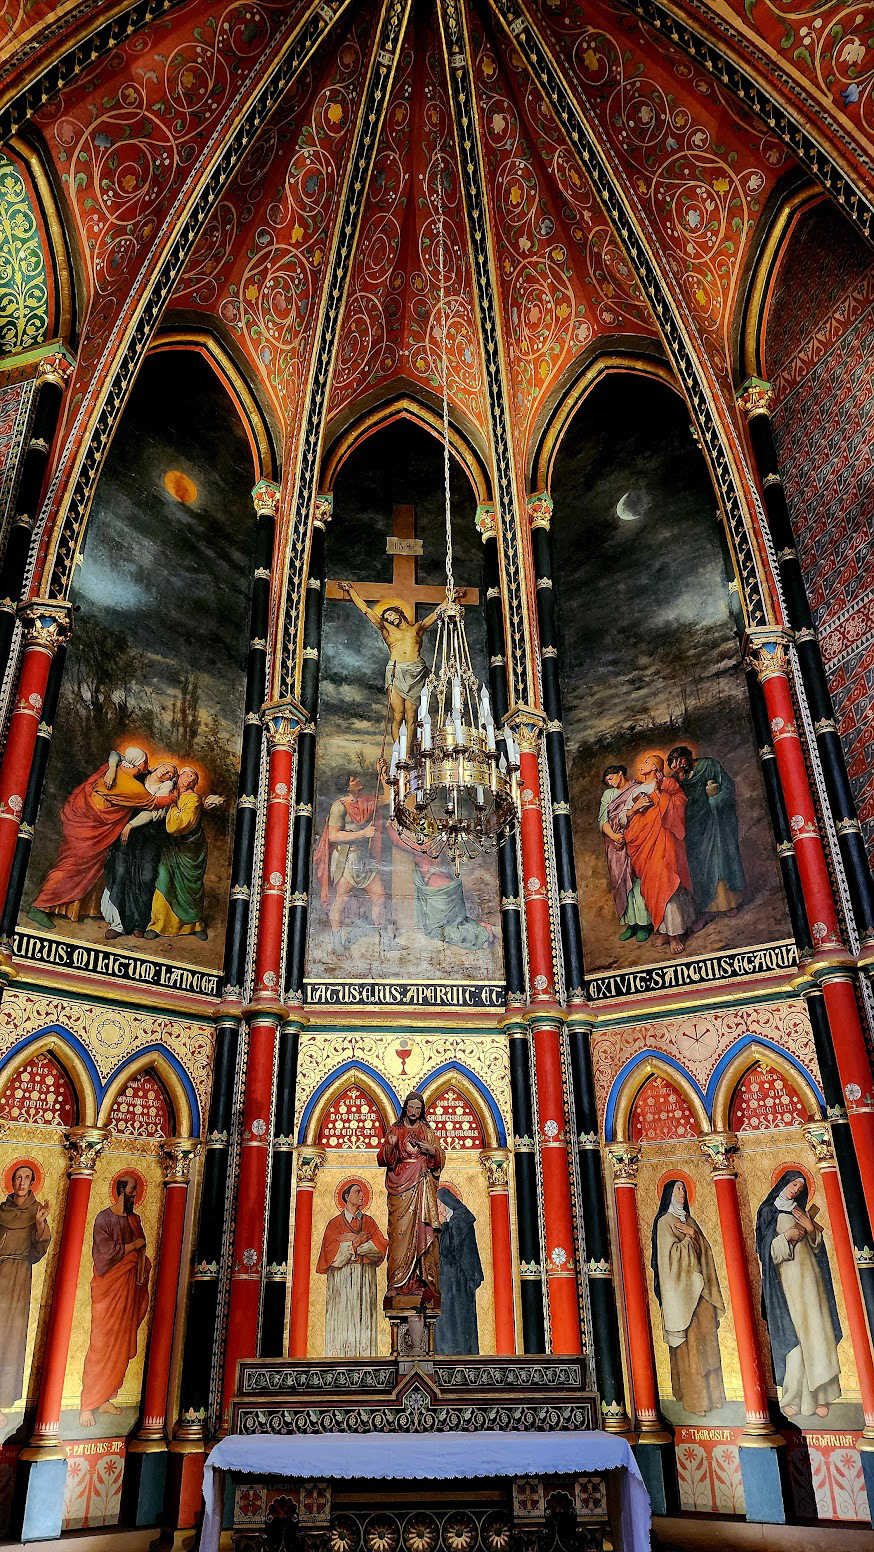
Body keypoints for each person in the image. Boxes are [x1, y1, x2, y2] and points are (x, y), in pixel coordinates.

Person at [29, 747, 176, 927]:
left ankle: (75, 909)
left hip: (87, 825)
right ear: (138, 765)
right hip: (90, 830)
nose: (149, 765)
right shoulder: (131, 787)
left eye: (170, 773)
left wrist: (113, 768)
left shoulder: (110, 769)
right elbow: (155, 802)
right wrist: (176, 796)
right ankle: (40, 906)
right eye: (146, 762)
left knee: (93, 867)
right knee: (72, 866)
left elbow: (115, 754)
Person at [756, 1170, 842, 1418]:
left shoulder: (802, 1212)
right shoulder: (768, 1212)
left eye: (800, 1188)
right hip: (787, 1286)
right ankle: (794, 1397)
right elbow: (764, 1252)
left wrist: (810, 1230)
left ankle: (820, 1396)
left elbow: (818, 1250)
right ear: (783, 1184)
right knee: (795, 1338)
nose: (795, 1190)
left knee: (817, 1334)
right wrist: (786, 1237)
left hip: (812, 1284)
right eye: (793, 1184)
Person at [338, 583, 456, 745]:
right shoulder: (386, 630)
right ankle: (397, 756)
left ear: (399, 613)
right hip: (396, 671)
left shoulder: (417, 628)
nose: (389, 618)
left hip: (416, 672)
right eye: (386, 618)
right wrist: (351, 591)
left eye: (391, 614)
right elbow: (366, 610)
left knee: (411, 716)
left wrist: (451, 597)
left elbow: (436, 614)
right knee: (398, 715)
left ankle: (407, 756)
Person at [79, 1174, 151, 1427]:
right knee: (101, 1343)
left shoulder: (134, 1220)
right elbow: (103, 1255)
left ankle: (107, 1397)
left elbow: (143, 1252)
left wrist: (141, 1260)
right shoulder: (104, 1218)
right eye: (132, 1190)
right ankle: (88, 1403)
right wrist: (132, 1247)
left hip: (129, 1288)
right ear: (121, 1191)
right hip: (108, 1290)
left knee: (120, 1344)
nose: (134, 1195)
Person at [651, 1180, 725, 1416]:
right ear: (668, 1194)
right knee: (691, 1347)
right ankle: (695, 1401)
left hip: (701, 1293)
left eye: (684, 1189)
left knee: (707, 1343)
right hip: (682, 1297)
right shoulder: (664, 1223)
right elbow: (668, 1259)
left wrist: (694, 1236)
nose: (682, 1193)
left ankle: (713, 1396)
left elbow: (705, 1252)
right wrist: (687, 1242)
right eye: (677, 1189)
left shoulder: (690, 1222)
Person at [621, 754, 696, 954]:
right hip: (644, 844)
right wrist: (635, 809)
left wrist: (660, 794)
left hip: (665, 841)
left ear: (655, 767)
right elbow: (623, 818)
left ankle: (674, 934)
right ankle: (663, 929)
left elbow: (680, 802)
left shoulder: (668, 783)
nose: (642, 765)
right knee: (653, 885)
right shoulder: (635, 790)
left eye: (646, 762)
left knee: (668, 881)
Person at [377, 1092, 445, 1305]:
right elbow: (383, 1159)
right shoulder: (396, 1129)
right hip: (401, 1189)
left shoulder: (426, 1131)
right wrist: (390, 1144)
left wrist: (431, 1150)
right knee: (400, 1235)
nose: (414, 1112)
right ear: (405, 1108)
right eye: (411, 1107)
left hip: (422, 1187)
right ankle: (397, 1284)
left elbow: (440, 1158)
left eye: (418, 1108)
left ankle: (422, 1282)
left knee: (421, 1233)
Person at [667, 747, 745, 926]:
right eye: (675, 765)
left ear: (687, 757)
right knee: (699, 867)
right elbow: (673, 799)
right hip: (693, 827)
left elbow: (728, 786)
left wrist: (716, 800)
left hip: (714, 821)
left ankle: (728, 904)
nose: (679, 766)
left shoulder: (709, 765)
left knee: (718, 861)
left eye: (680, 761)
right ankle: (707, 910)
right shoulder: (677, 779)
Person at [314, 772, 392, 952]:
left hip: (364, 858)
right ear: (347, 786)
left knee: (379, 896)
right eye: (353, 779)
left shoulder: (365, 801)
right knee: (341, 899)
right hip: (346, 857)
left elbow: (388, 798)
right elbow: (333, 835)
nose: (358, 780)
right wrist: (362, 834)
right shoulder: (339, 807)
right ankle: (337, 942)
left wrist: (382, 775)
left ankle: (385, 940)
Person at [101, 761, 178, 939]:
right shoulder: (138, 778)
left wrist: (131, 824)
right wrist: (112, 768)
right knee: (120, 873)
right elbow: (116, 758)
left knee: (146, 877)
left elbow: (155, 813)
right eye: (166, 767)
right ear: (158, 766)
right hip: (125, 836)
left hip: (149, 839)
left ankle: (139, 924)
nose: (166, 772)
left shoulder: (167, 793)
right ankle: (118, 924)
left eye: (171, 773)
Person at [145, 768, 223, 941]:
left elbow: (177, 825)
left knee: (190, 888)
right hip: (170, 847)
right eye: (189, 775)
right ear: (179, 775)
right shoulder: (167, 788)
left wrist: (172, 804)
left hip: (190, 849)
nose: (191, 780)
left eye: (194, 779)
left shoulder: (193, 799)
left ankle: (194, 924)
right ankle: (158, 924)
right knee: (164, 880)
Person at [0, 1164, 50, 1427]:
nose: (21, 1182)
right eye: (18, 1177)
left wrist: (40, 1225)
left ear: (32, 1183)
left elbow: (38, 1251)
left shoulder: (36, 1212)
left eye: (26, 1178)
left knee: (9, 1340)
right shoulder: (2, 1210)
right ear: (11, 1181)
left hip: (18, 1280)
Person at [315, 1182, 388, 1356]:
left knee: (363, 1323)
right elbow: (331, 1256)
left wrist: (353, 1243)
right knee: (343, 1321)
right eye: (357, 1192)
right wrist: (356, 1243)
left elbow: (380, 1249)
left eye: (362, 1192)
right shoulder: (334, 1224)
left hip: (365, 1281)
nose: (362, 1195)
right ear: (347, 1197)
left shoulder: (369, 1222)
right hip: (342, 1282)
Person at [598, 765, 653, 943]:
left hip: (636, 841)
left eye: (612, 779)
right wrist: (614, 835)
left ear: (620, 773)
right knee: (620, 881)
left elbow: (646, 814)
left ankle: (644, 924)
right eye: (607, 782)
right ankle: (631, 924)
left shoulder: (638, 788)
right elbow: (602, 820)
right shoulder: (608, 795)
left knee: (637, 881)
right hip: (615, 845)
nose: (611, 783)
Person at [435, 1185, 483, 1354]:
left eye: (438, 1204)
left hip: (456, 1279)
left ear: (446, 1204)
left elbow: (448, 1248)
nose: (436, 1209)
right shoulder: (456, 1220)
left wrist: (443, 1226)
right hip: (450, 1278)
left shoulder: (459, 1221)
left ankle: (455, 1353)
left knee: (454, 1317)